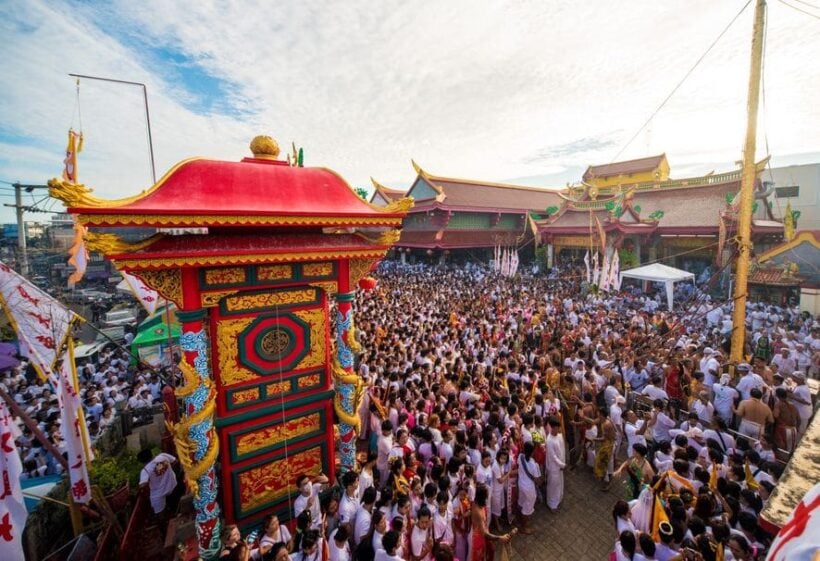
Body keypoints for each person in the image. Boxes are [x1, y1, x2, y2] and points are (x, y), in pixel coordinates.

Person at [469, 484, 511, 561]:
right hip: (479, 538)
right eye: (486, 496)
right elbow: (483, 533)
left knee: (491, 550)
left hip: (484, 531)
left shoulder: (478, 502)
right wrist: (500, 538)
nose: (488, 497)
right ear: (482, 497)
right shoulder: (477, 512)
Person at [137, 449, 178, 515]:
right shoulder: (163, 456)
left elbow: (142, 485)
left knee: (158, 510)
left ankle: (161, 516)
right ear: (151, 454)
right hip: (173, 484)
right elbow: (175, 461)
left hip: (159, 493)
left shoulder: (145, 470)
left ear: (141, 462)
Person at [516, 441, 540, 533]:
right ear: (532, 452)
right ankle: (524, 527)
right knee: (528, 507)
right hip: (529, 488)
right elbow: (537, 480)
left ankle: (519, 519)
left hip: (521, 484)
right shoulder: (533, 465)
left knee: (521, 502)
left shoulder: (520, 456)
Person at [545, 416, 566, 511]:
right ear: (552, 427)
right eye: (557, 427)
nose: (559, 429)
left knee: (559, 484)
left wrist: (563, 462)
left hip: (560, 465)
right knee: (552, 486)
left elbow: (563, 450)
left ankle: (558, 499)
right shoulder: (549, 440)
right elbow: (553, 457)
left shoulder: (560, 436)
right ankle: (551, 504)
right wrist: (562, 465)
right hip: (553, 467)